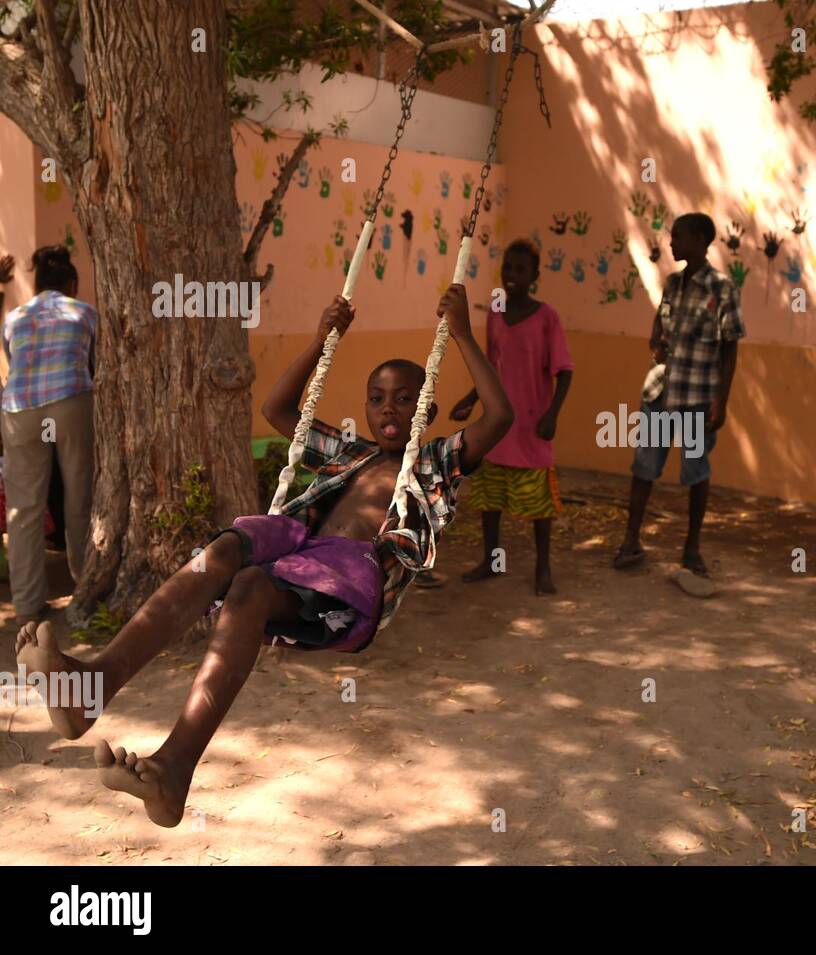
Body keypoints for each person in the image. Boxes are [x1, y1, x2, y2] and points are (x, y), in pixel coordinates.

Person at [15, 285, 513, 827]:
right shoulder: (350, 450)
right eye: (376, 397)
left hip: (350, 581)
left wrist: (461, 332)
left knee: (253, 584)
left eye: (403, 398)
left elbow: (500, 417)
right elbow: (277, 408)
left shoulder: (436, 461)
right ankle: (99, 690)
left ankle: (175, 762)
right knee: (232, 549)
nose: (388, 408)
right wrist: (323, 340)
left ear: (427, 409)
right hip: (296, 548)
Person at [614, 213, 744, 578]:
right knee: (644, 468)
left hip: (698, 398)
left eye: (678, 237)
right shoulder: (672, 284)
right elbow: (659, 324)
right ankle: (630, 542)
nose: (671, 243)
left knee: (695, 473)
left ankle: (691, 548)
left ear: (701, 240)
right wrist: (656, 341)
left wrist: (722, 399)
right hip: (660, 392)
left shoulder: (721, 289)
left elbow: (730, 349)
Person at [453, 239, 573, 595]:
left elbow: (564, 370)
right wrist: (471, 400)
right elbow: (491, 364)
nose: (512, 275)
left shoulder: (547, 317)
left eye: (521, 269)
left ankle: (543, 569)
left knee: (539, 506)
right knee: (490, 500)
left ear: (535, 275)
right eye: (508, 267)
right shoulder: (496, 310)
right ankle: (492, 560)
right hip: (497, 425)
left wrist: (553, 415)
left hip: (532, 426)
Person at [1, 246, 96, 625]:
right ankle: (84, 592)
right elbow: (94, 361)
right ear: (71, 283)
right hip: (70, 400)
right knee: (79, 495)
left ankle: (26, 606)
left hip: (19, 409)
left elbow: (14, 360)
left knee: (23, 508)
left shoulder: (15, 318)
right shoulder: (84, 312)